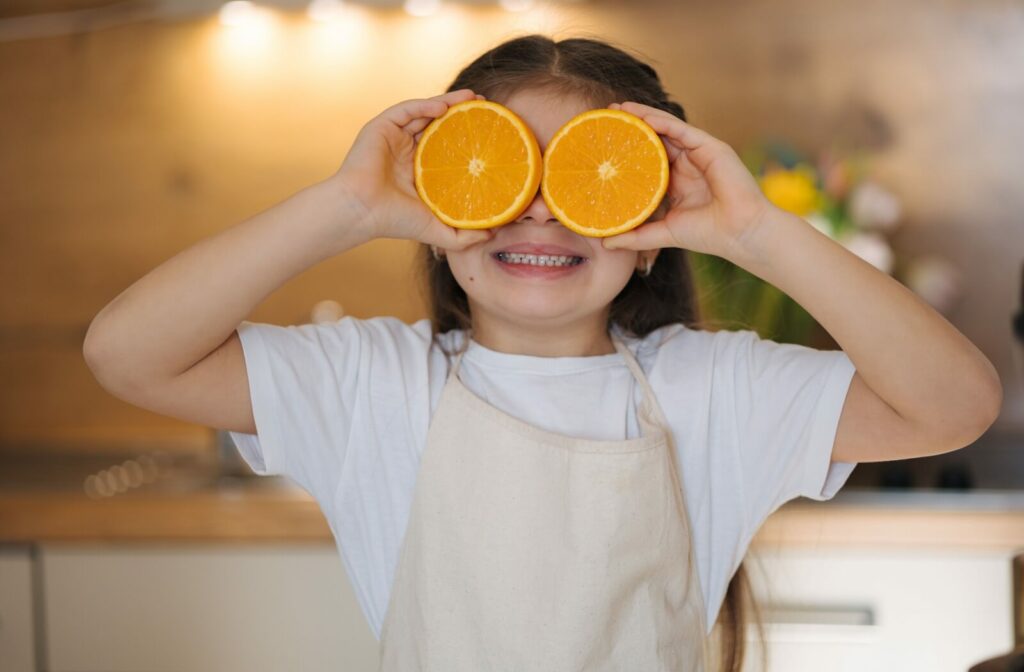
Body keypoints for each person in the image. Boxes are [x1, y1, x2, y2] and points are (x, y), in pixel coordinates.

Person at [83, 34, 1003, 672]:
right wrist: (347, 206)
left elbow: (954, 403)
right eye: (503, 171)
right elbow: (128, 355)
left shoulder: (712, 389)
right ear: (441, 208)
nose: (541, 212)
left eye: (587, 178)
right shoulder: (369, 386)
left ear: (649, 230)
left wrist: (758, 231)